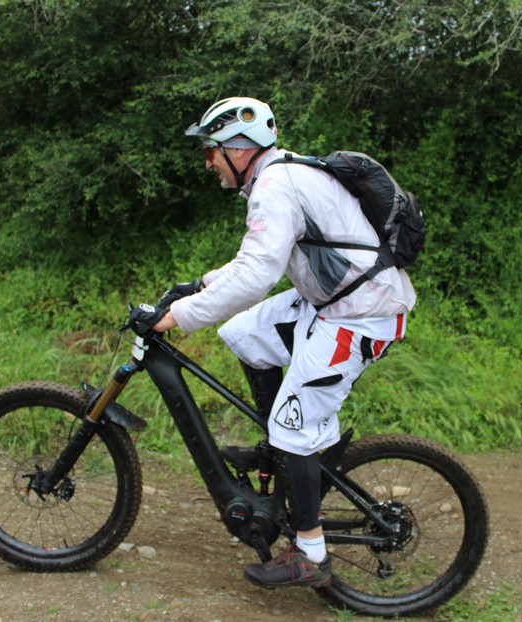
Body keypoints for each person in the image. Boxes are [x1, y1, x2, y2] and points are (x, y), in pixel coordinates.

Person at [134, 97, 415, 588]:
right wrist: (198, 286)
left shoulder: (275, 186)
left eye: (210, 152)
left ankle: (310, 554)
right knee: (244, 333)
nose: (208, 163)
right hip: (335, 302)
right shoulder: (279, 176)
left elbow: (256, 277)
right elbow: (255, 260)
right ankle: (281, 450)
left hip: (361, 315)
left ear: (239, 149)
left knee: (295, 428)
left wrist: (175, 318)